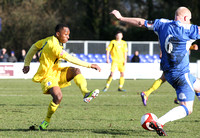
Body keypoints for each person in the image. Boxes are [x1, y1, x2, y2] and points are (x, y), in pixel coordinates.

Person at [111, 7, 200, 136]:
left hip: (168, 73)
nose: (190, 21)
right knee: (187, 108)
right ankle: (159, 122)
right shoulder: (190, 30)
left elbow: (141, 22)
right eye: (190, 19)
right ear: (186, 18)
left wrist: (121, 18)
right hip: (181, 74)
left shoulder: (161, 24)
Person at [22, 24, 101, 130]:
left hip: (57, 72)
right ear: (58, 34)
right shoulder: (53, 45)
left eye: (69, 35)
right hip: (47, 76)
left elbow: (34, 46)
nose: (68, 37)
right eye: (66, 34)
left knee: (75, 71)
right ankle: (46, 121)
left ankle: (86, 93)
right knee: (58, 97)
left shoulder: (49, 40)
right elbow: (69, 58)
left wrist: (27, 64)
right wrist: (90, 65)